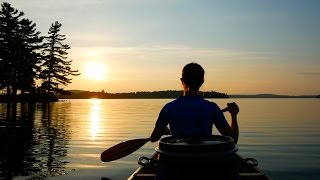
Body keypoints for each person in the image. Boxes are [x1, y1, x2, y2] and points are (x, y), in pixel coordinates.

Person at [150, 62, 239, 143]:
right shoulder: (212, 108)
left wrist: (162, 131)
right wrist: (233, 115)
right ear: (202, 82)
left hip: (176, 157)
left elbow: (154, 138)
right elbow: (233, 139)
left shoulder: (169, 108)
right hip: (205, 158)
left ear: (182, 80)